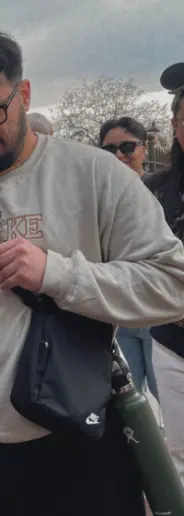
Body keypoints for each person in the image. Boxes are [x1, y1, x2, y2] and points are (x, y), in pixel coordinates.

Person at [0, 31, 184, 516]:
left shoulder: (96, 176)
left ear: (23, 94)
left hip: (79, 440)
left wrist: (57, 275)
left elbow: (173, 284)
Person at [99, 117, 159, 402]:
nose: (119, 155)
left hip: (161, 313)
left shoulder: (163, 190)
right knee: (130, 401)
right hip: (121, 312)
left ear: (144, 149)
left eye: (127, 147)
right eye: (110, 149)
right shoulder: (99, 198)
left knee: (167, 397)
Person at [145, 62, 184, 483]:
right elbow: (136, 262)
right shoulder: (154, 191)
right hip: (173, 345)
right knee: (179, 453)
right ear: (175, 125)